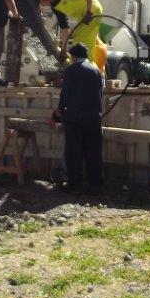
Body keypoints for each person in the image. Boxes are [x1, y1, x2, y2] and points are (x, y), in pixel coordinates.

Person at [52, 42, 104, 195]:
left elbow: (65, 94)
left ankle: (75, 184)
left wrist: (59, 113)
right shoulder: (96, 70)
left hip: (75, 117)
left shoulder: (71, 70)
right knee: (94, 152)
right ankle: (95, 184)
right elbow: (100, 94)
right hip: (94, 117)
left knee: (74, 152)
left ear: (73, 56)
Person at [34, 0, 103, 64]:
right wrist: (63, 49)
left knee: (82, 44)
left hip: (92, 11)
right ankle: (85, 67)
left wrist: (89, 11)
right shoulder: (55, 7)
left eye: (40, 3)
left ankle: (86, 68)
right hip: (83, 16)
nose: (42, 6)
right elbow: (64, 28)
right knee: (79, 42)